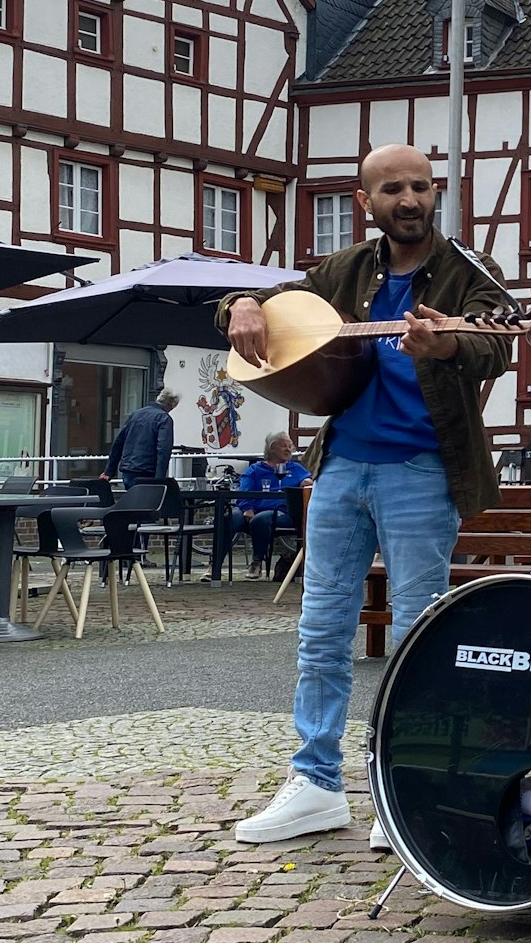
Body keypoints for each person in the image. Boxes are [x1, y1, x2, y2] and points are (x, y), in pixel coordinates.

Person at [218, 142, 513, 848]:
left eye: (419, 186)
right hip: (343, 465)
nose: (408, 200)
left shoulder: (471, 268)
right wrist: (242, 304)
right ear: (366, 201)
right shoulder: (344, 270)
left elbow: (499, 338)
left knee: (417, 634)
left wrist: (450, 347)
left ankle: (407, 782)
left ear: (435, 191)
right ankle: (316, 781)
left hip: (422, 468)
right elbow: (267, 305)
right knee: (321, 630)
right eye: (392, 190)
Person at [220, 432, 312, 580]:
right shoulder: (256, 470)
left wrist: (307, 481)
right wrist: (247, 508)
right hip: (252, 510)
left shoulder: (295, 468)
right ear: (271, 448)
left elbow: (308, 480)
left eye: (290, 446)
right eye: (283, 446)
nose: (288, 449)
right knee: (229, 517)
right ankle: (215, 566)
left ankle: (256, 562)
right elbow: (244, 491)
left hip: (283, 513)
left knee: (261, 519)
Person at [103, 388, 178, 485]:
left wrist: (109, 471)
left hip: (128, 469)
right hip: (148, 471)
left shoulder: (136, 414)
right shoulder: (164, 418)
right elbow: (163, 449)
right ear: (170, 405)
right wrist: (159, 478)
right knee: (149, 499)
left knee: (132, 498)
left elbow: (118, 443)